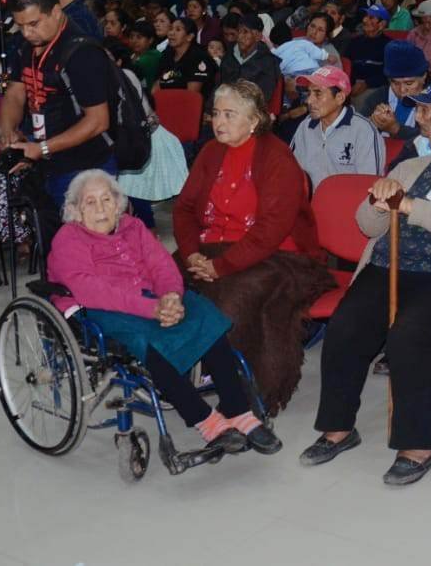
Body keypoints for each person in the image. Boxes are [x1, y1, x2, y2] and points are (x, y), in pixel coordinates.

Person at [303, 93, 431, 485]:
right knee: (346, 325)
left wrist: (411, 206)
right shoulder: (411, 166)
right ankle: (338, 427)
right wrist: (378, 201)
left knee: (409, 335)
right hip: (390, 266)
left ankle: (417, 445)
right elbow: (368, 226)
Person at [50, 169, 279, 454]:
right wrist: (152, 309)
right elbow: (91, 290)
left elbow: (161, 265)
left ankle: (237, 410)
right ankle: (206, 420)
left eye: (107, 199)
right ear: (75, 210)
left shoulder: (133, 226)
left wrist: (171, 296)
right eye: (90, 202)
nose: (100, 209)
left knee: (205, 317)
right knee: (151, 341)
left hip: (153, 298)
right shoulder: (68, 239)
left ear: (118, 203)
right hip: (103, 309)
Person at [173, 81, 332, 412]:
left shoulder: (277, 158)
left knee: (233, 298)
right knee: (163, 281)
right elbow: (184, 208)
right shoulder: (211, 152)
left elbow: (270, 230)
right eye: (216, 113)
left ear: (254, 120)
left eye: (229, 115)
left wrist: (221, 266)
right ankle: (180, 366)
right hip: (210, 248)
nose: (219, 122)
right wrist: (191, 253)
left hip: (279, 254)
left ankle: (246, 388)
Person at [0, 0, 117, 242]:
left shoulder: (82, 52)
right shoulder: (26, 46)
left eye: (33, 23)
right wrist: (7, 130)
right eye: (20, 25)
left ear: (55, 11)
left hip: (85, 165)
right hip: (47, 162)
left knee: (88, 246)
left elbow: (98, 121)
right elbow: (15, 93)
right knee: (56, 246)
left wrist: (42, 148)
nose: (27, 33)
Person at [218, 13, 280, 106]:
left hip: (249, 108)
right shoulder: (229, 56)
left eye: (245, 32)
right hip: (224, 104)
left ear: (258, 36)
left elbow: (261, 97)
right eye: (239, 31)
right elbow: (219, 86)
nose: (240, 37)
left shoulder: (268, 62)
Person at [152, 17, 214, 95]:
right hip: (164, 101)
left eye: (178, 30)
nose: (171, 33)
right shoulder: (166, 55)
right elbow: (155, 90)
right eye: (170, 29)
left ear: (189, 37)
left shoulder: (199, 57)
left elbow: (191, 95)